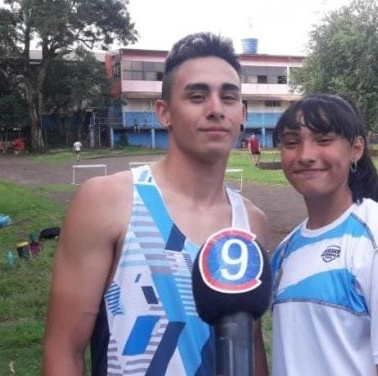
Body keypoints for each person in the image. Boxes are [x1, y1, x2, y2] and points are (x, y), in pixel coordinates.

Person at [43, 32, 270, 376]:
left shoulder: (252, 223)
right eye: (197, 96)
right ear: (164, 112)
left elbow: (250, 349)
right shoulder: (107, 202)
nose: (215, 109)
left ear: (242, 113)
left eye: (228, 97)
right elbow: (63, 351)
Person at [270, 94, 378, 376]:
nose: (306, 155)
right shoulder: (285, 252)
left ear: (356, 149)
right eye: (292, 142)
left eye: (323, 140)